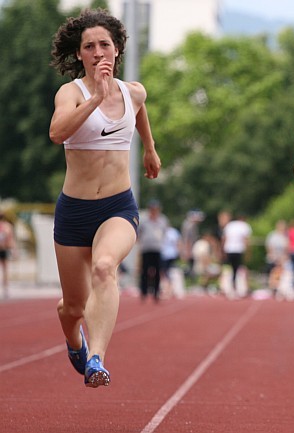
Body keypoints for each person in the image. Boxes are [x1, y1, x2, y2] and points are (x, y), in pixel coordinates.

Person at [49, 8, 161, 388]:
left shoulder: (134, 91)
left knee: (105, 267)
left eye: (105, 45)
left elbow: (140, 109)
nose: (98, 52)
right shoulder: (71, 93)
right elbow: (56, 133)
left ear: (117, 51)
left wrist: (149, 148)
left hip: (117, 205)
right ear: (79, 54)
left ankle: (96, 358)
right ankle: (74, 340)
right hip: (74, 210)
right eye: (89, 46)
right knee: (73, 307)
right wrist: (95, 98)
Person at [137, 199, 168, 302]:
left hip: (157, 248)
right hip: (146, 248)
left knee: (157, 271)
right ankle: (144, 292)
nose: (154, 211)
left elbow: (164, 232)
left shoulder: (163, 220)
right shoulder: (144, 219)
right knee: (145, 271)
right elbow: (139, 232)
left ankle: (156, 292)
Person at [222, 214, 252, 298]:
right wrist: (248, 252)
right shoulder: (244, 226)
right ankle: (239, 288)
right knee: (239, 269)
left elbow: (224, 238)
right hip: (239, 249)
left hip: (228, 249)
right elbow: (246, 239)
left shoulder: (229, 225)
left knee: (231, 269)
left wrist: (222, 250)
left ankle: (230, 288)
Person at [0, 211, 16, 299]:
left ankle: (5, 289)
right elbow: (11, 239)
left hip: (4, 249)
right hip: (4, 249)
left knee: (5, 269)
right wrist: (14, 249)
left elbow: (10, 238)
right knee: (5, 269)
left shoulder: (7, 227)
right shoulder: (7, 226)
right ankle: (5, 289)